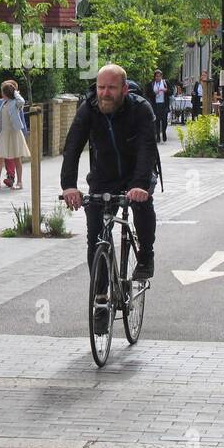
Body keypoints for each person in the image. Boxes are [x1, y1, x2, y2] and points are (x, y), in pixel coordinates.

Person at [61, 65, 159, 333]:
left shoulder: (140, 110)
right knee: (97, 238)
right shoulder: (89, 109)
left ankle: (146, 255)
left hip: (135, 174)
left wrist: (140, 185)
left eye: (111, 88)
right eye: (101, 87)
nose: (104, 93)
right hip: (103, 177)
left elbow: (146, 149)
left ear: (124, 90)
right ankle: (101, 300)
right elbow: (72, 147)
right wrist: (69, 185)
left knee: (141, 204)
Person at [0, 79, 28, 189]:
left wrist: (15, 92)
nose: (1, 93)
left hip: (14, 133)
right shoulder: (3, 103)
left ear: (5, 93)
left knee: (17, 158)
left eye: (2, 91)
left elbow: (22, 101)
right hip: (4, 133)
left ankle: (19, 182)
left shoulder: (16, 103)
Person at [148, 69, 171, 142]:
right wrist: (154, 93)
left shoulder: (165, 83)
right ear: (154, 77)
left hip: (164, 104)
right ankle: (158, 135)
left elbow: (171, 92)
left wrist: (166, 90)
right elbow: (148, 94)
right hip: (156, 105)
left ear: (161, 77)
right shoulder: (152, 84)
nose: (158, 78)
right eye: (156, 76)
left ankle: (163, 132)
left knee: (164, 120)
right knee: (157, 120)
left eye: (159, 76)